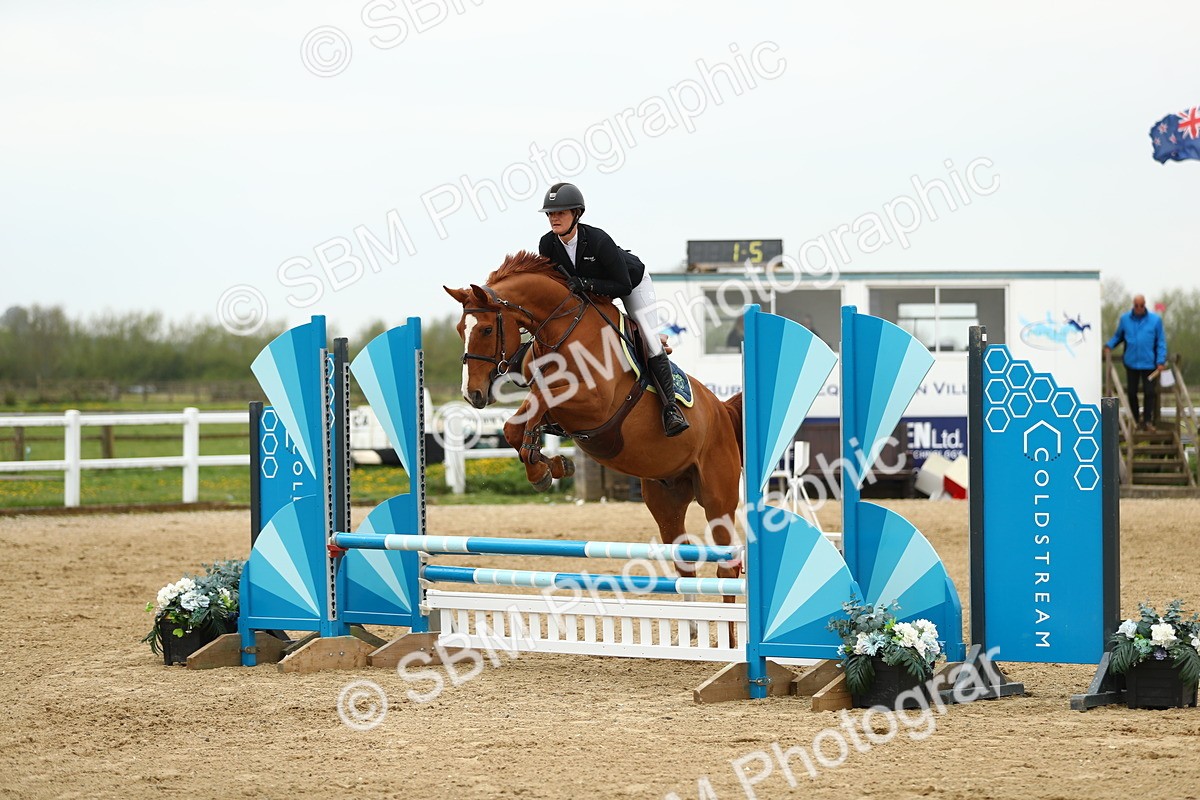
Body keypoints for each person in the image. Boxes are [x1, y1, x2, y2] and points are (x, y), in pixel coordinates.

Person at [537, 182, 689, 437]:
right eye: (551, 214)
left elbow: (623, 285)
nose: (554, 218)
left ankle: (671, 409)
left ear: (577, 214)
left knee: (650, 340)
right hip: (590, 294)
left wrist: (586, 283)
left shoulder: (598, 240)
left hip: (633, 283)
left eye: (560, 213)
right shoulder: (547, 245)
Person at [1104, 294, 1168, 431]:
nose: (1139, 308)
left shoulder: (1155, 320)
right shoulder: (1125, 319)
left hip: (1149, 363)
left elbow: (1161, 342)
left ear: (1145, 305)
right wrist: (1109, 346)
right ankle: (1134, 420)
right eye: (1136, 305)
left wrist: (1160, 360)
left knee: (1150, 392)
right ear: (1133, 305)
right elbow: (1118, 337)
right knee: (1131, 392)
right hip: (1131, 362)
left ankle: (1147, 421)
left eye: (1141, 305)